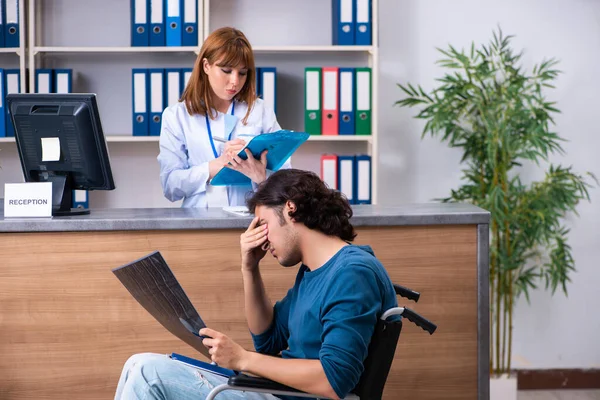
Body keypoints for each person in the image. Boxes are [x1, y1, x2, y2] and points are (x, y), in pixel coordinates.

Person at [114, 169, 398, 400]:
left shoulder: (351, 273)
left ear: (290, 209)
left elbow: (334, 378)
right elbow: (268, 341)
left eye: (263, 223)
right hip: (275, 392)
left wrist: (241, 359)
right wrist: (249, 267)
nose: (261, 238)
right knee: (135, 365)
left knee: (146, 371)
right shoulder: (313, 272)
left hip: (288, 396)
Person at [157, 27, 291, 208]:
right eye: (227, 71)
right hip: (197, 223)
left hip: (253, 221)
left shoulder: (260, 111)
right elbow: (171, 186)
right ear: (206, 66)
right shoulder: (177, 116)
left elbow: (286, 179)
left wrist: (260, 176)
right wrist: (215, 166)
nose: (235, 81)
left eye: (242, 73)